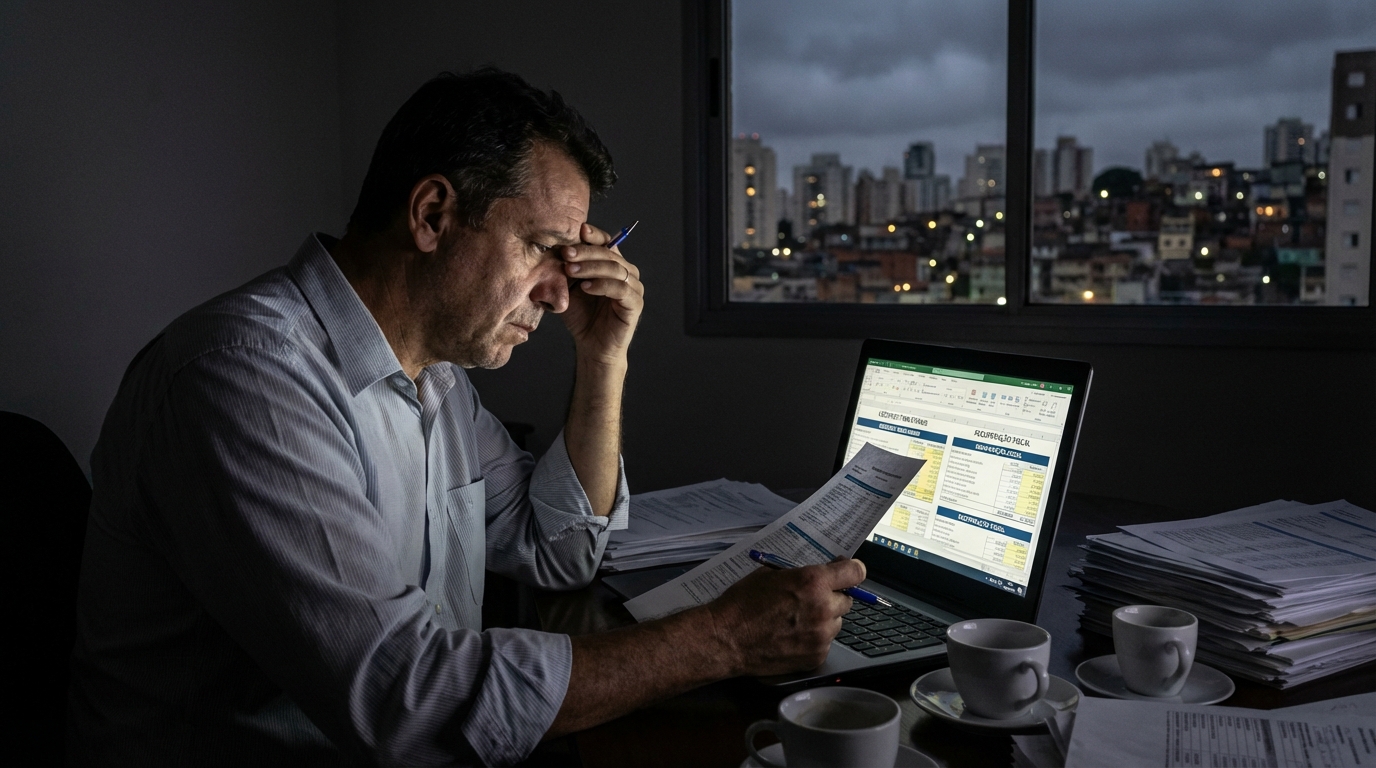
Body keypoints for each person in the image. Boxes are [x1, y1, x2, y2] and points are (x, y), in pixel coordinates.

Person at [68, 68, 865, 766]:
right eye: (544, 249)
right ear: (433, 214)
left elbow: (559, 551)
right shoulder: (243, 380)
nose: (562, 294)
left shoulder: (435, 381)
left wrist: (602, 358)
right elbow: (409, 703)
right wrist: (722, 639)